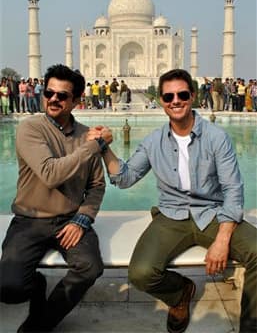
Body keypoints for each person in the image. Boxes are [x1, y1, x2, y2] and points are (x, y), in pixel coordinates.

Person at [90, 69, 257, 333]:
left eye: (181, 94)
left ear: (192, 96)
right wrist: (103, 147)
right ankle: (180, 293)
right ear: (161, 100)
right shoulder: (154, 141)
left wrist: (222, 240)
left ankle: (251, 325)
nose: (175, 101)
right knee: (141, 274)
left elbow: (233, 191)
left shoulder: (216, 138)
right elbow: (124, 178)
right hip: (172, 215)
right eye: (169, 96)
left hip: (212, 213)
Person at [0, 64, 107, 332]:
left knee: (90, 268)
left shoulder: (85, 134)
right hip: (30, 219)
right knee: (10, 289)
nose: (54, 99)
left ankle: (39, 324)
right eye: (49, 93)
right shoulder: (30, 128)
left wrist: (82, 219)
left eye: (62, 95)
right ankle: (37, 285)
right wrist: (93, 147)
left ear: (77, 100)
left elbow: (96, 186)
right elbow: (50, 174)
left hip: (70, 219)